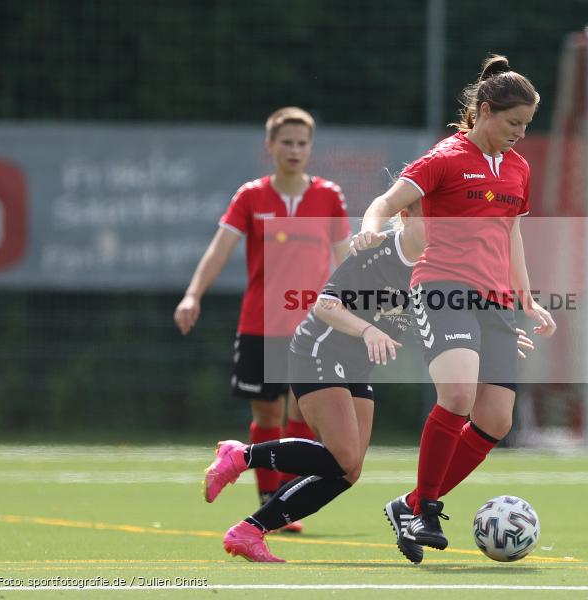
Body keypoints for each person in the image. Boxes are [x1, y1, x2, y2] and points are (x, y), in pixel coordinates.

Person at [201, 202, 535, 562]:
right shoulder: (378, 252)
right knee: (342, 455)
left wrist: (493, 336)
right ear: (405, 218)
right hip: (319, 351)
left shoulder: (440, 269)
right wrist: (368, 330)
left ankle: (249, 531)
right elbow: (324, 305)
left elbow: (449, 319)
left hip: (356, 366)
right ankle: (241, 455)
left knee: (348, 470)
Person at [349, 54, 557, 563]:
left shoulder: (518, 168)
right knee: (459, 395)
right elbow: (386, 200)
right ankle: (428, 509)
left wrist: (526, 297)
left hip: (495, 300)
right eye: (513, 123)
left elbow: (512, 234)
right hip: (443, 288)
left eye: (527, 126)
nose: (520, 134)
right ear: (484, 111)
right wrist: (370, 225)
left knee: (496, 421)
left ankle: (411, 504)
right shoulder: (445, 156)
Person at [174, 107, 350, 532]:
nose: (294, 150)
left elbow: (345, 260)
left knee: (304, 411)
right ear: (269, 146)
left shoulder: (328, 196)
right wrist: (192, 295)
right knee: (267, 412)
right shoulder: (251, 196)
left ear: (310, 148)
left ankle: (288, 501)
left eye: (302, 143)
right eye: (286, 142)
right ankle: (268, 497)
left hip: (312, 329)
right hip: (260, 324)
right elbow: (219, 249)